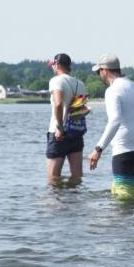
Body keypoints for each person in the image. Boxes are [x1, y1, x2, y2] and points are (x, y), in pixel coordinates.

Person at [87, 54, 134, 199]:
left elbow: (115, 120)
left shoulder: (113, 90)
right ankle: (128, 221)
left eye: (99, 72)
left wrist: (98, 149)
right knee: (121, 191)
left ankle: (128, 221)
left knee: (124, 199)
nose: (99, 76)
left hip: (124, 151)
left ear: (105, 70)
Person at [45, 53, 88, 183]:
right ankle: (73, 203)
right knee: (76, 178)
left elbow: (58, 103)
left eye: (53, 65)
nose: (52, 67)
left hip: (59, 133)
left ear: (57, 65)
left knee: (53, 179)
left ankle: (57, 203)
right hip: (76, 132)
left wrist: (60, 127)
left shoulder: (55, 81)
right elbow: (81, 109)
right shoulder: (80, 84)